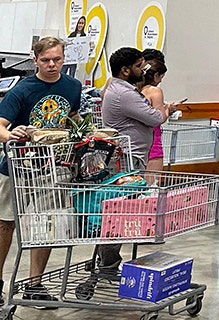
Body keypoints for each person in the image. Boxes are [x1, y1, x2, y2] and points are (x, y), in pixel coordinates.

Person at [0, 37, 79, 304]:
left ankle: (35, 285)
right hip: (16, 167)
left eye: (57, 59)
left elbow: (72, 116)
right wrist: (10, 134)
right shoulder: (22, 90)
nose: (52, 65)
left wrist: (82, 129)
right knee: (5, 224)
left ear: (63, 58)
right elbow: (1, 124)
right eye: (45, 60)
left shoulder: (73, 86)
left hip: (52, 167)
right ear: (35, 60)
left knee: (47, 224)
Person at [96, 47, 174, 281]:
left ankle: (106, 262)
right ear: (125, 70)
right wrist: (166, 109)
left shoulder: (118, 87)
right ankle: (108, 265)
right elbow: (155, 118)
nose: (144, 70)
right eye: (140, 66)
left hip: (128, 157)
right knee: (118, 213)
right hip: (125, 161)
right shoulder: (124, 94)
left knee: (117, 211)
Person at [139, 53, 168, 172]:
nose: (161, 80)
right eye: (161, 77)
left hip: (139, 140)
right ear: (156, 75)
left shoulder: (136, 90)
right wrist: (169, 109)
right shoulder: (155, 91)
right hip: (153, 139)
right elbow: (160, 118)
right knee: (153, 180)